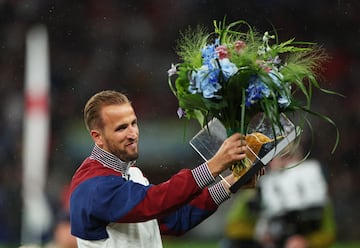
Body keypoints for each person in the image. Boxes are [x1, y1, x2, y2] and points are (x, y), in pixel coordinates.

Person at [69, 90, 250, 248]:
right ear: (98, 137)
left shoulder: (134, 174)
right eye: (121, 128)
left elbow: (175, 220)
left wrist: (231, 181)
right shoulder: (91, 186)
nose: (132, 134)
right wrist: (214, 165)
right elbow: (154, 202)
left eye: (133, 123)